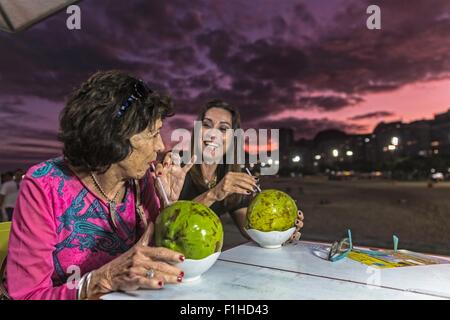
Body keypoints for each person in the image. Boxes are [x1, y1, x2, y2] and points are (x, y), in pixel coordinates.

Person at [3, 71, 194, 300]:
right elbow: (27, 296)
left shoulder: (140, 180)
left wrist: (169, 209)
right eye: (152, 134)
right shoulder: (44, 186)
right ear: (114, 137)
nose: (161, 145)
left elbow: (156, 260)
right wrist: (100, 281)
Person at [177, 99, 304, 242]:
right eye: (207, 125)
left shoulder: (230, 174)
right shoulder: (176, 165)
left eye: (223, 128)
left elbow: (248, 227)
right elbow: (172, 224)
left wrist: (279, 231)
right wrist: (213, 194)